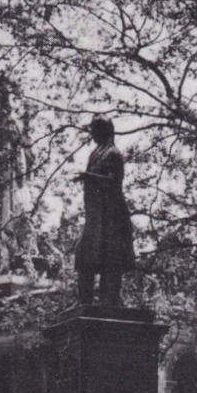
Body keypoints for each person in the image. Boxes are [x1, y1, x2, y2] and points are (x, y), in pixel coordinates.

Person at [74, 116, 135, 305]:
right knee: (84, 257)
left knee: (111, 258)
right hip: (95, 215)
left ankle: (110, 301)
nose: (91, 133)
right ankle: (84, 301)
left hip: (112, 216)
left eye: (94, 129)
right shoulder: (95, 153)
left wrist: (89, 177)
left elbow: (113, 181)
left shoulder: (113, 154)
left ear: (104, 131)